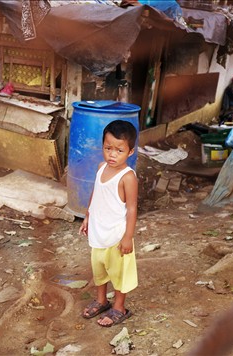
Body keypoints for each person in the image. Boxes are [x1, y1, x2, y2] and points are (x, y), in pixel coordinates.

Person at [79, 120, 138, 327]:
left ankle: (119, 307)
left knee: (119, 273)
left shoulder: (127, 177)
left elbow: (131, 208)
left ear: (130, 152)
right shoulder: (100, 167)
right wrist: (87, 216)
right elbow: (96, 193)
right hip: (98, 232)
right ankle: (102, 300)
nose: (112, 154)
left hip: (117, 235)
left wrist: (128, 237)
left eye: (119, 150)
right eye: (108, 148)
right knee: (100, 270)